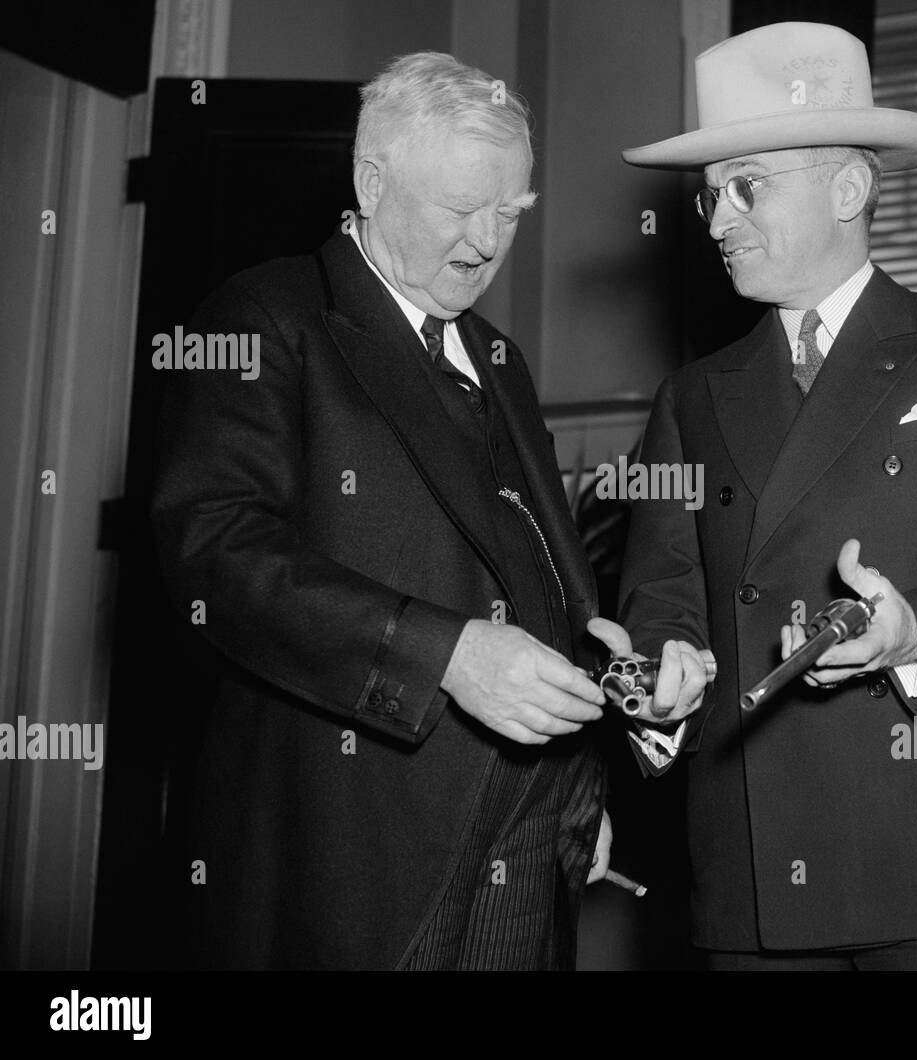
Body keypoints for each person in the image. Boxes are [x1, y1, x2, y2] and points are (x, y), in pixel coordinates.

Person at [609, 21, 917, 970]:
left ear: (848, 188)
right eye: (709, 198)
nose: (719, 221)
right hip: (759, 864)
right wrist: (658, 676)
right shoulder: (692, 397)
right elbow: (664, 593)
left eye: (746, 187)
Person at [152, 51, 652, 970]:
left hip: (532, 848)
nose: (487, 242)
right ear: (370, 183)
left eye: (510, 214)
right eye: (461, 210)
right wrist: (446, 654)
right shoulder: (265, 315)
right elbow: (214, 550)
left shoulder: (498, 356)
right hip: (360, 859)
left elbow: (538, 572)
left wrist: (580, 789)